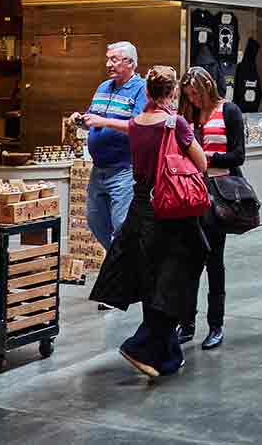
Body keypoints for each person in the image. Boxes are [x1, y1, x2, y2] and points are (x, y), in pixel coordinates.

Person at [89, 66, 209, 379]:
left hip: (140, 207)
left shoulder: (136, 123)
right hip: (170, 211)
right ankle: (141, 344)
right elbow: (202, 162)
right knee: (178, 276)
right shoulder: (175, 123)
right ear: (172, 94)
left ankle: (168, 355)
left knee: (152, 278)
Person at [182, 65, 246, 352]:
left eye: (196, 93)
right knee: (188, 261)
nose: (193, 99)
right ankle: (186, 323)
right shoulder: (190, 115)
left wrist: (207, 157)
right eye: (189, 95)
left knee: (214, 260)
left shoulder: (229, 111)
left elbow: (238, 155)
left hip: (218, 193)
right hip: (191, 192)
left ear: (207, 87)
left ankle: (215, 325)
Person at [74, 42, 148, 254]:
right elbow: (92, 118)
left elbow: (139, 127)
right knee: (95, 222)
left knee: (122, 226)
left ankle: (127, 275)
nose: (108, 64)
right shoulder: (103, 87)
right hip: (98, 170)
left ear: (131, 63)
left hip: (124, 170)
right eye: (107, 59)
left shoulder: (141, 89)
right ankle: (121, 266)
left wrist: (103, 122)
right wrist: (80, 120)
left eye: (114, 59)